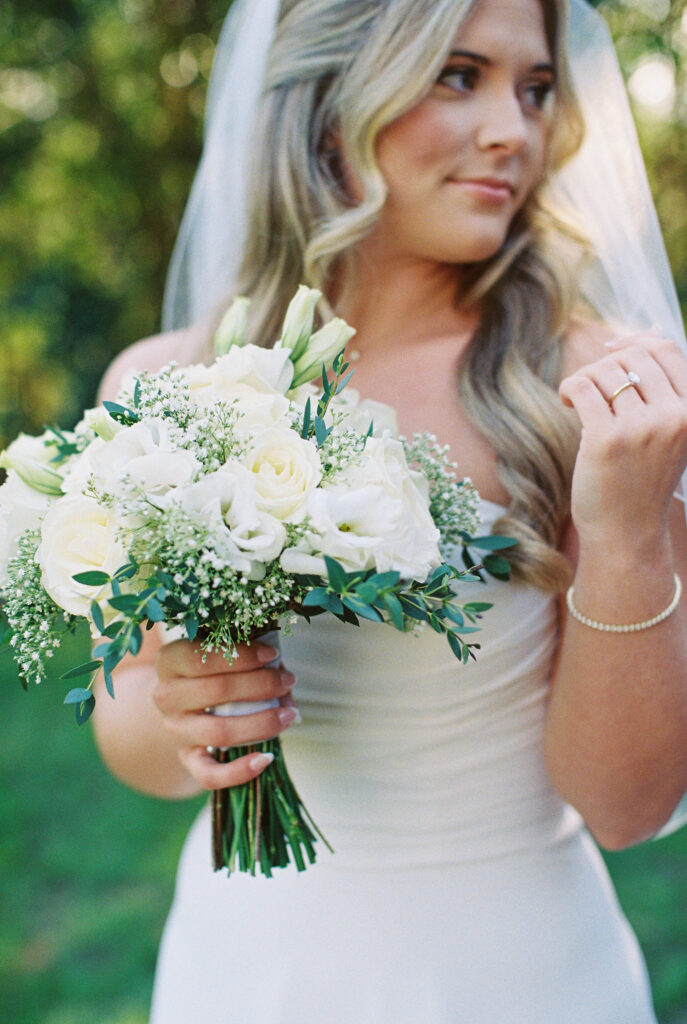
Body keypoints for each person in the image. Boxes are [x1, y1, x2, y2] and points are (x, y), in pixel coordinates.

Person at [92, 0, 687, 1020]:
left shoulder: (595, 387)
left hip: (520, 968)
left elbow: (630, 807)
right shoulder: (166, 385)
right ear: (329, 107)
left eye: (535, 88)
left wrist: (629, 529)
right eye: (460, 75)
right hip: (247, 965)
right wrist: (192, 712)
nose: (515, 129)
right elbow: (130, 732)